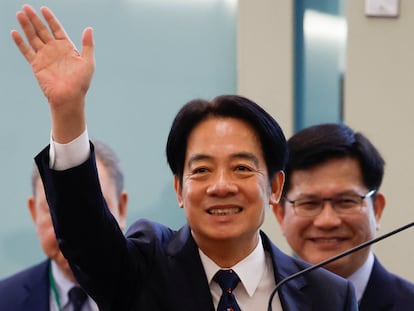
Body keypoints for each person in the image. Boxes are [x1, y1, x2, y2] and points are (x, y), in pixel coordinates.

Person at [11, 5, 358, 310]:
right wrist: (68, 111)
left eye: (241, 168)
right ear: (179, 189)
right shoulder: (143, 269)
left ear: (276, 186)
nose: (221, 186)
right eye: (202, 170)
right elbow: (86, 238)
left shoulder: (328, 296)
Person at [272, 122, 414, 310]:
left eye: (346, 201)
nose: (327, 221)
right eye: (309, 203)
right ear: (280, 214)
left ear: (377, 209)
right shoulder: (261, 301)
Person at [0, 140, 128, 311]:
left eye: (92, 211)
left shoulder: (157, 294)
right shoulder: (5, 300)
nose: (74, 230)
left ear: (121, 208)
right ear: (34, 212)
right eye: (57, 210)